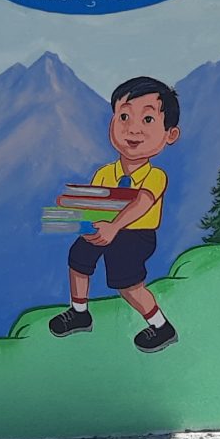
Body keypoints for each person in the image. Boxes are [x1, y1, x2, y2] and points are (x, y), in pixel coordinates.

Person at [50, 76, 182, 351]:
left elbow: (141, 204)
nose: (132, 129)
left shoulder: (155, 176)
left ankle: (161, 326)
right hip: (104, 227)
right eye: (123, 116)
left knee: (128, 284)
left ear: (170, 134)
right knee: (78, 256)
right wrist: (79, 217)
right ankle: (79, 312)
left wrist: (113, 227)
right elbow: (94, 204)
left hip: (136, 235)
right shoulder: (105, 173)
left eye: (147, 120)